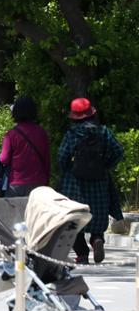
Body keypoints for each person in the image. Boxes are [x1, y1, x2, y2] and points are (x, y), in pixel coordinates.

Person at [58, 98, 125, 264]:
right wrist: (105, 166)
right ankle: (97, 240)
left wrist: (69, 169)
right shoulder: (104, 132)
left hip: (75, 185)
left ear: (74, 117)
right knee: (96, 218)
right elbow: (118, 151)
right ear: (91, 114)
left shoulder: (72, 134)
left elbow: (62, 157)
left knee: (73, 221)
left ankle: (81, 254)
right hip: (99, 183)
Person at [0, 96, 50, 197]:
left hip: (17, 184)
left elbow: (4, 159)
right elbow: (47, 160)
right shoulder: (41, 132)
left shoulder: (11, 134)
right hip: (39, 183)